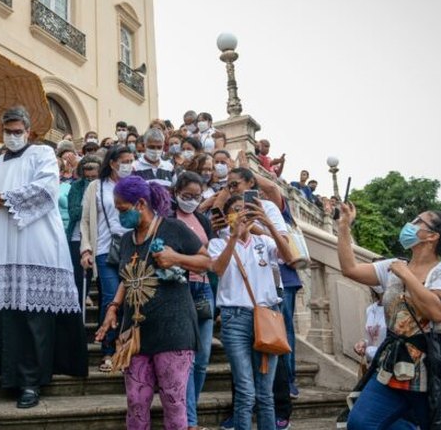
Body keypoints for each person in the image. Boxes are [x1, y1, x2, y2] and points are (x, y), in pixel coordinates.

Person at [0, 106, 87, 409]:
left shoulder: (43, 155)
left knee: (34, 317)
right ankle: (9, 375)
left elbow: (46, 190)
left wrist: (3, 199)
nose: (12, 136)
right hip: (1, 246)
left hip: (36, 244)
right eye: (7, 131)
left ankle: (31, 381)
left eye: (16, 131)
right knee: (7, 316)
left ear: (28, 130)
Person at [338, 203, 441, 430]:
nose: (409, 225)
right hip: (392, 360)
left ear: (432, 236)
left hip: (430, 365)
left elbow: (438, 312)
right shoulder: (391, 266)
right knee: (360, 423)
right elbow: (350, 269)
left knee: (433, 424)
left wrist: (406, 275)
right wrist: (343, 228)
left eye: (417, 221)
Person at [96, 176, 212, 430]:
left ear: (140, 204)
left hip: (174, 331)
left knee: (173, 404)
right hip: (136, 334)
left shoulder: (173, 228)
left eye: (122, 209)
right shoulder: (126, 239)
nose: (119, 215)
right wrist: (113, 308)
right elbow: (128, 277)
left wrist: (176, 258)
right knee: (136, 404)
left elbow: (206, 262)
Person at [209, 194, 296, 430]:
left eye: (246, 209)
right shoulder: (218, 243)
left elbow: (290, 258)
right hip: (234, 318)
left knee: (266, 393)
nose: (242, 214)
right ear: (228, 216)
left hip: (267, 316)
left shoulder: (263, 242)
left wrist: (267, 224)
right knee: (245, 389)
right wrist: (234, 236)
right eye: (236, 210)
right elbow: (217, 269)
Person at [80, 146, 135, 372]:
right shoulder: (96, 187)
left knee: (132, 300)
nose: (129, 165)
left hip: (132, 249)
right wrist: (86, 249)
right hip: (104, 249)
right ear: (112, 163)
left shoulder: (133, 186)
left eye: (132, 160)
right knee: (111, 299)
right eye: (125, 160)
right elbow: (84, 220)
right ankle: (108, 351)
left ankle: (128, 350)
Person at [171, 171, 215, 430]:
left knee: (203, 356)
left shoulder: (202, 219)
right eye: (187, 196)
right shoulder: (168, 218)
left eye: (197, 197)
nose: (192, 200)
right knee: (187, 356)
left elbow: (210, 256)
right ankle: (190, 421)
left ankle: (190, 409)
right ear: (177, 192)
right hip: (181, 289)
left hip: (205, 289)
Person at [66, 155, 101, 307]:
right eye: (87, 178)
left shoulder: (104, 187)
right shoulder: (76, 187)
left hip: (99, 237)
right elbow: (74, 212)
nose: (91, 180)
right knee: (78, 279)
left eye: (94, 177)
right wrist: (90, 208)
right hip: (77, 237)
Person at [354, 288, 387, 366]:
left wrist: (369, 351)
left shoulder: (394, 310)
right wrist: (364, 343)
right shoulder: (370, 309)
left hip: (387, 365)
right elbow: (373, 339)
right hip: (374, 365)